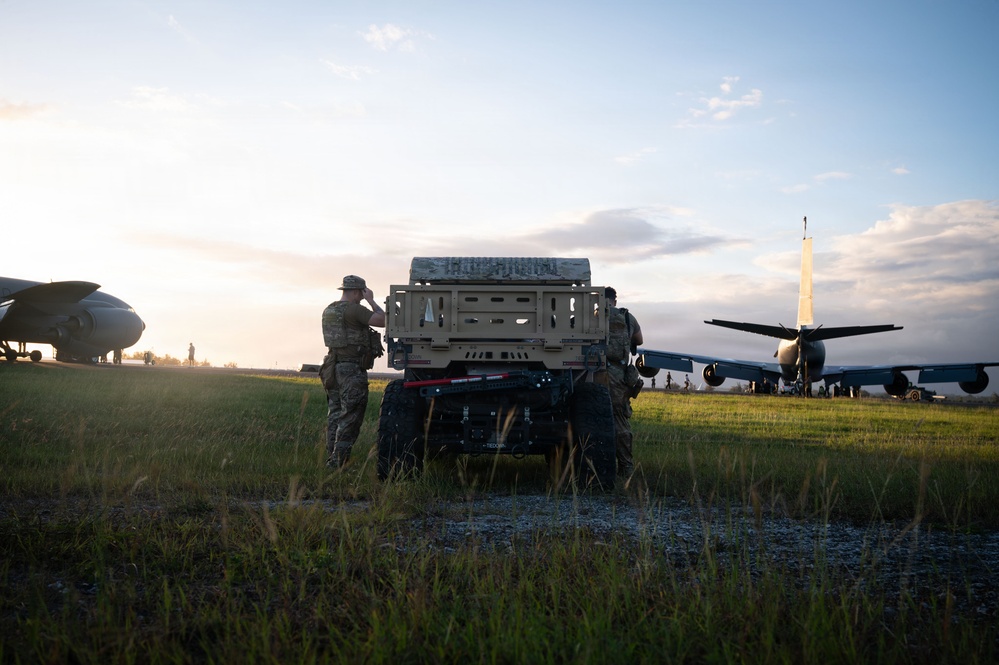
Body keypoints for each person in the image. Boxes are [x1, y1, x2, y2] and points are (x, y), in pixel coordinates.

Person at [320, 275, 386, 469]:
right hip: (351, 370)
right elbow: (383, 320)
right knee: (351, 416)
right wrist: (371, 300)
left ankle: (331, 456)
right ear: (357, 291)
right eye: (361, 293)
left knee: (335, 413)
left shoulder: (329, 310)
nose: (360, 297)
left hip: (332, 367)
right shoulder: (355, 310)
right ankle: (338, 462)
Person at [603, 286, 643, 477]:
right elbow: (639, 340)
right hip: (619, 374)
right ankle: (626, 468)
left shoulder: (592, 316)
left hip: (593, 372)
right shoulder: (628, 317)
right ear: (615, 301)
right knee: (619, 419)